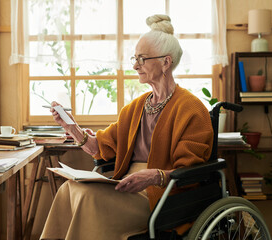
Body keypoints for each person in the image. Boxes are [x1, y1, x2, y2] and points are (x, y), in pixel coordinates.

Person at [40, 14, 213, 240]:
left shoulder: (191, 109)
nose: (134, 65)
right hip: (127, 187)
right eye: (135, 58)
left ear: (166, 62)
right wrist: (72, 128)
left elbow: (189, 171)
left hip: (162, 196)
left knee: (87, 197)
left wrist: (153, 177)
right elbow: (98, 149)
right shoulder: (135, 107)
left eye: (142, 59)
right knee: (68, 190)